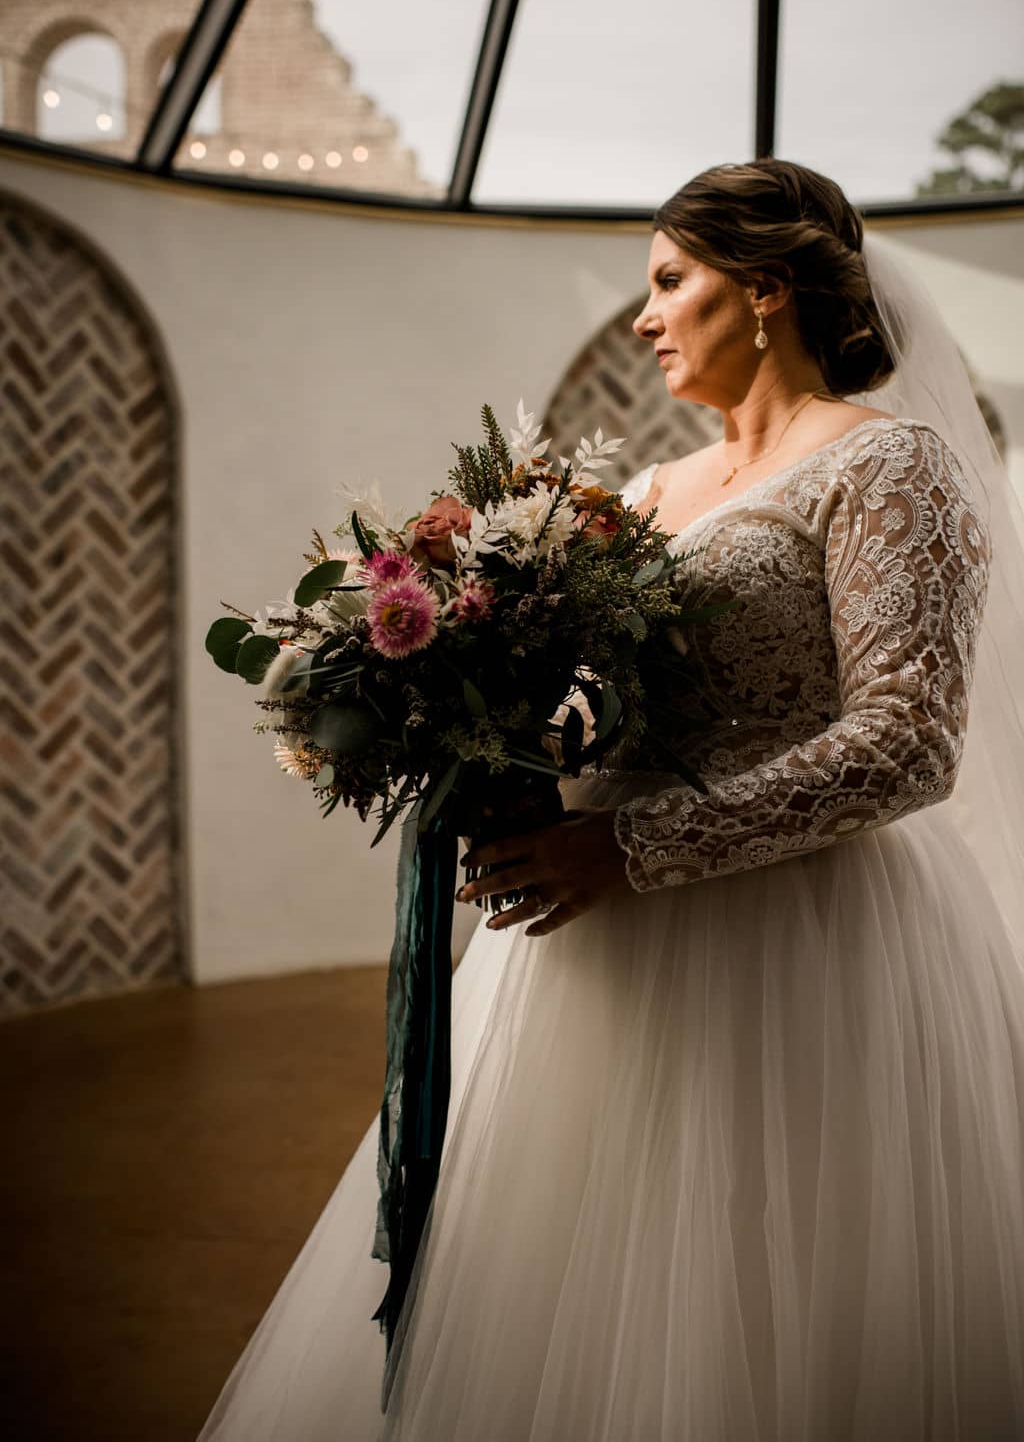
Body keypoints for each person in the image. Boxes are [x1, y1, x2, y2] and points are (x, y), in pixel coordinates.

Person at [197, 160, 1024, 1440]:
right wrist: (462, 728)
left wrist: (634, 844)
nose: (645, 317)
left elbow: (909, 741)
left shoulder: (888, 466)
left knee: (773, 1287)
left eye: (668, 281)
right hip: (595, 941)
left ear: (763, 291)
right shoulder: (638, 496)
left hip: (806, 937)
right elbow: (592, 708)